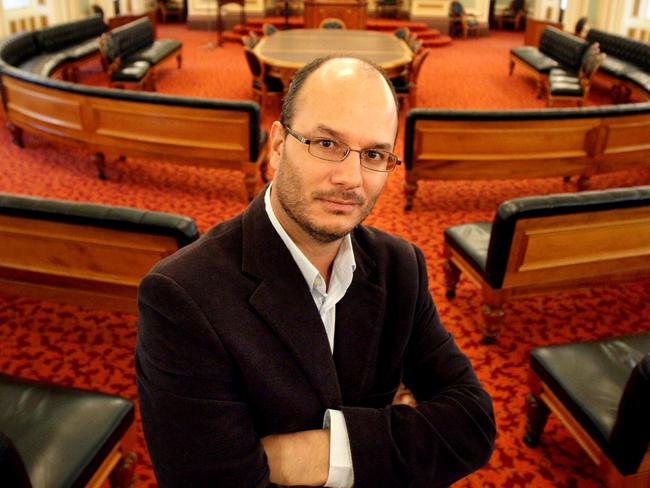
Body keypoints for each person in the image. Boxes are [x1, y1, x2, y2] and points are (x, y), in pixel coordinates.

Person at [135, 56, 496, 487]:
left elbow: (473, 423)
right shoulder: (182, 295)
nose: (351, 178)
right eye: (326, 144)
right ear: (276, 146)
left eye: (375, 154)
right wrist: (397, 438)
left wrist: (319, 454)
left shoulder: (401, 266)